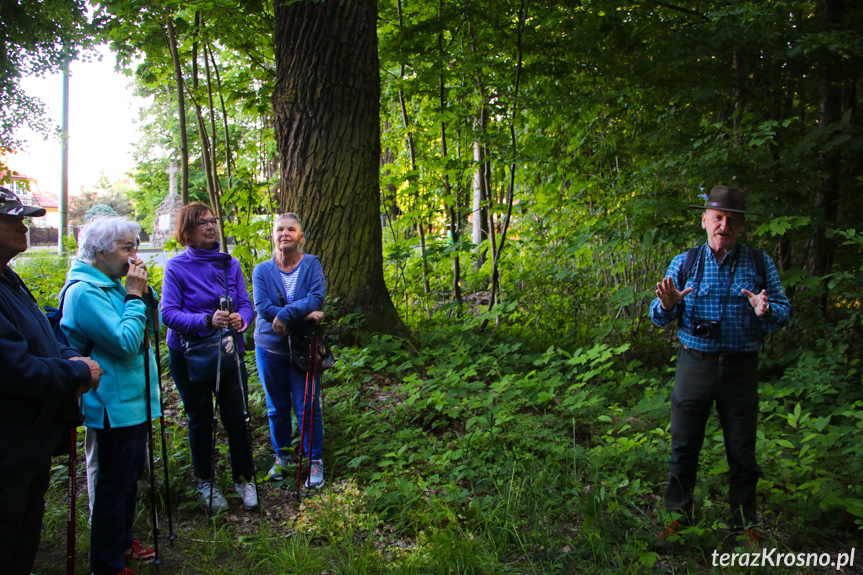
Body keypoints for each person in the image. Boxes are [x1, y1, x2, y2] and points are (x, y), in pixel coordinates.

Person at [650, 186, 791, 550]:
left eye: (732, 220)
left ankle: (744, 529)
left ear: (742, 226)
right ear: (704, 221)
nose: (723, 225)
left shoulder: (760, 263)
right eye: (717, 218)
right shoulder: (685, 262)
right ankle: (677, 521)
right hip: (694, 365)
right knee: (683, 448)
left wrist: (766, 310)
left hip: (741, 370)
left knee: (743, 452)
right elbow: (657, 317)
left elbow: (783, 311)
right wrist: (666, 306)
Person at [0, 187, 101, 575]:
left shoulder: (8, 278)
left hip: (27, 448)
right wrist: (76, 371)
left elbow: (42, 332)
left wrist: (66, 356)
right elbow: (14, 369)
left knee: (24, 544)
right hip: (6, 454)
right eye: (13, 219)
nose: (23, 226)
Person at [60, 217, 161, 575]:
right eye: (126, 247)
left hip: (133, 400)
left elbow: (151, 328)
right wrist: (134, 295)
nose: (134, 255)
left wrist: (143, 296)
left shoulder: (111, 284)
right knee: (113, 486)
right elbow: (127, 342)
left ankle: (121, 543)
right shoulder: (84, 291)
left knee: (129, 478)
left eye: (135, 245)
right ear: (100, 250)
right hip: (111, 406)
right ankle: (106, 564)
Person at [161, 202, 258, 511]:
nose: (210, 226)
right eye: (202, 223)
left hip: (229, 352)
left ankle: (244, 479)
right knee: (200, 419)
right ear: (186, 232)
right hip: (189, 356)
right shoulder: (176, 268)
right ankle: (206, 482)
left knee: (236, 418)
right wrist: (206, 320)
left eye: (212, 221)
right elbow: (168, 313)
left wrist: (240, 321)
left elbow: (245, 304)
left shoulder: (230, 264)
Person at [252, 213, 326, 487]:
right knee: (276, 408)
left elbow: (317, 298)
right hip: (270, 348)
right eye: (280, 229)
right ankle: (283, 457)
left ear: (300, 236)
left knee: (307, 406)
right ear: (274, 235)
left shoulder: (311, 265)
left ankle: (315, 462)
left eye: (291, 229)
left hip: (304, 349)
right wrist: (304, 315)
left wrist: (285, 317)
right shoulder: (262, 270)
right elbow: (263, 308)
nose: (285, 234)